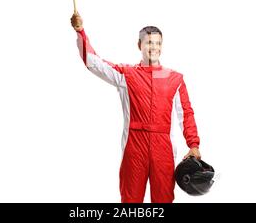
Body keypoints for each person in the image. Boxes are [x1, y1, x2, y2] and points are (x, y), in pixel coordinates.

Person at [70, 12, 201, 203]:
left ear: (161, 47)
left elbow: (186, 113)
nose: (153, 47)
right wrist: (81, 32)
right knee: (130, 200)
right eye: (148, 42)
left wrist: (194, 144)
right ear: (139, 45)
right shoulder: (126, 75)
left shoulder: (175, 79)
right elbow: (93, 63)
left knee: (163, 200)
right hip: (134, 146)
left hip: (163, 148)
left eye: (157, 43)